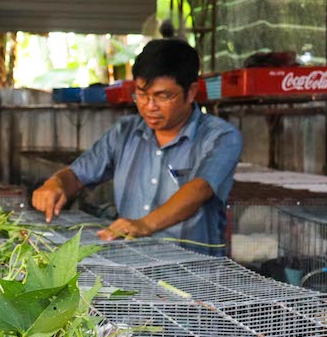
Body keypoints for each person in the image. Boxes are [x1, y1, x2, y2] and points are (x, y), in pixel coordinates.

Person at [32, 38, 242, 254]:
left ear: (191, 92)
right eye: (142, 94)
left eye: (162, 96)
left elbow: (200, 188)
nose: (150, 106)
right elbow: (77, 175)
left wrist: (144, 224)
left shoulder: (221, 136)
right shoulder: (125, 132)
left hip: (195, 272)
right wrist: (56, 183)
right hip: (132, 262)